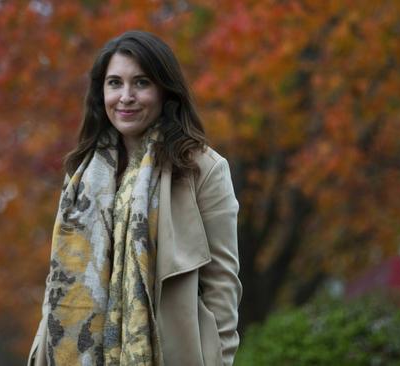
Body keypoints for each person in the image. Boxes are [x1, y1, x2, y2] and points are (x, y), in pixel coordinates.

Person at [27, 30, 241, 366]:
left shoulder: (203, 169)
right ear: (101, 92)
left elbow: (222, 284)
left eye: (141, 83)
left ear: (164, 91)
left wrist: (219, 360)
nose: (126, 96)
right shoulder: (80, 176)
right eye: (115, 83)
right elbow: (59, 281)